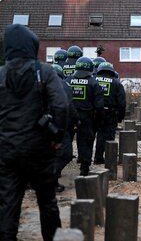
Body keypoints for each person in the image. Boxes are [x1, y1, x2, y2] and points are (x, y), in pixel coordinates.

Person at [0, 24, 68, 241]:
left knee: (7, 203)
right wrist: (57, 136)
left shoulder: (0, 74)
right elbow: (61, 105)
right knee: (47, 201)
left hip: (7, 149)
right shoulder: (45, 72)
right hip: (39, 148)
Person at [67, 56, 104, 176]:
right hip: (87, 117)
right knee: (86, 141)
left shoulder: (68, 81)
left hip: (68, 116)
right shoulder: (94, 83)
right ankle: (84, 167)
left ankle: (59, 167)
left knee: (65, 139)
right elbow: (99, 105)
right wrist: (99, 120)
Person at [51, 64, 78, 193]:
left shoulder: (37, 82)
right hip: (61, 125)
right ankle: (51, 180)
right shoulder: (64, 86)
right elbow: (68, 105)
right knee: (65, 154)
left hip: (39, 125)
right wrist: (76, 120)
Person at [94, 62, 126, 164]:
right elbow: (122, 103)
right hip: (111, 114)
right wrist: (120, 117)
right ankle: (109, 158)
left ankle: (96, 158)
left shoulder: (94, 80)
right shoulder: (117, 83)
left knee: (98, 135)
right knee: (109, 136)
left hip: (95, 113)